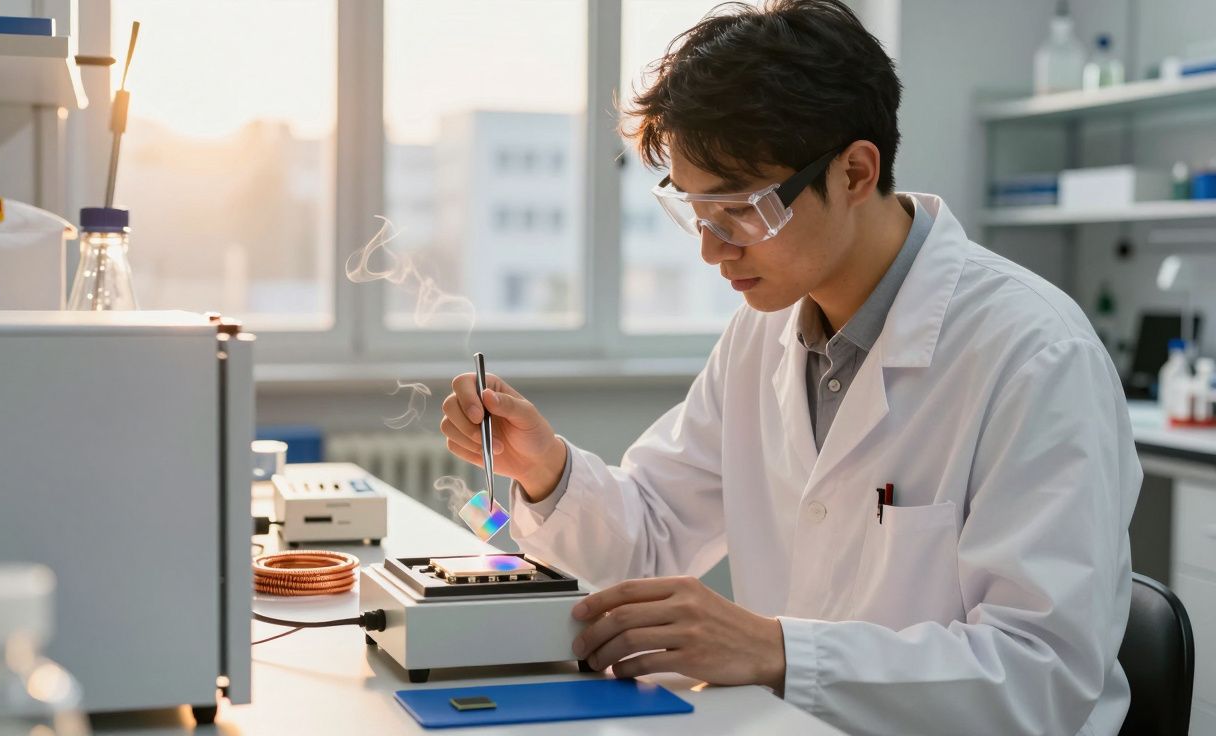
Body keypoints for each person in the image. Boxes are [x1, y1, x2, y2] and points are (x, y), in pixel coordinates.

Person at [439, 1, 1140, 733]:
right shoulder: (761, 337)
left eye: (741, 208)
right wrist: (547, 469)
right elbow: (651, 534)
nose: (713, 249)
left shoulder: (1034, 354)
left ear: (856, 172)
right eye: (696, 209)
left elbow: (1038, 674)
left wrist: (776, 650)